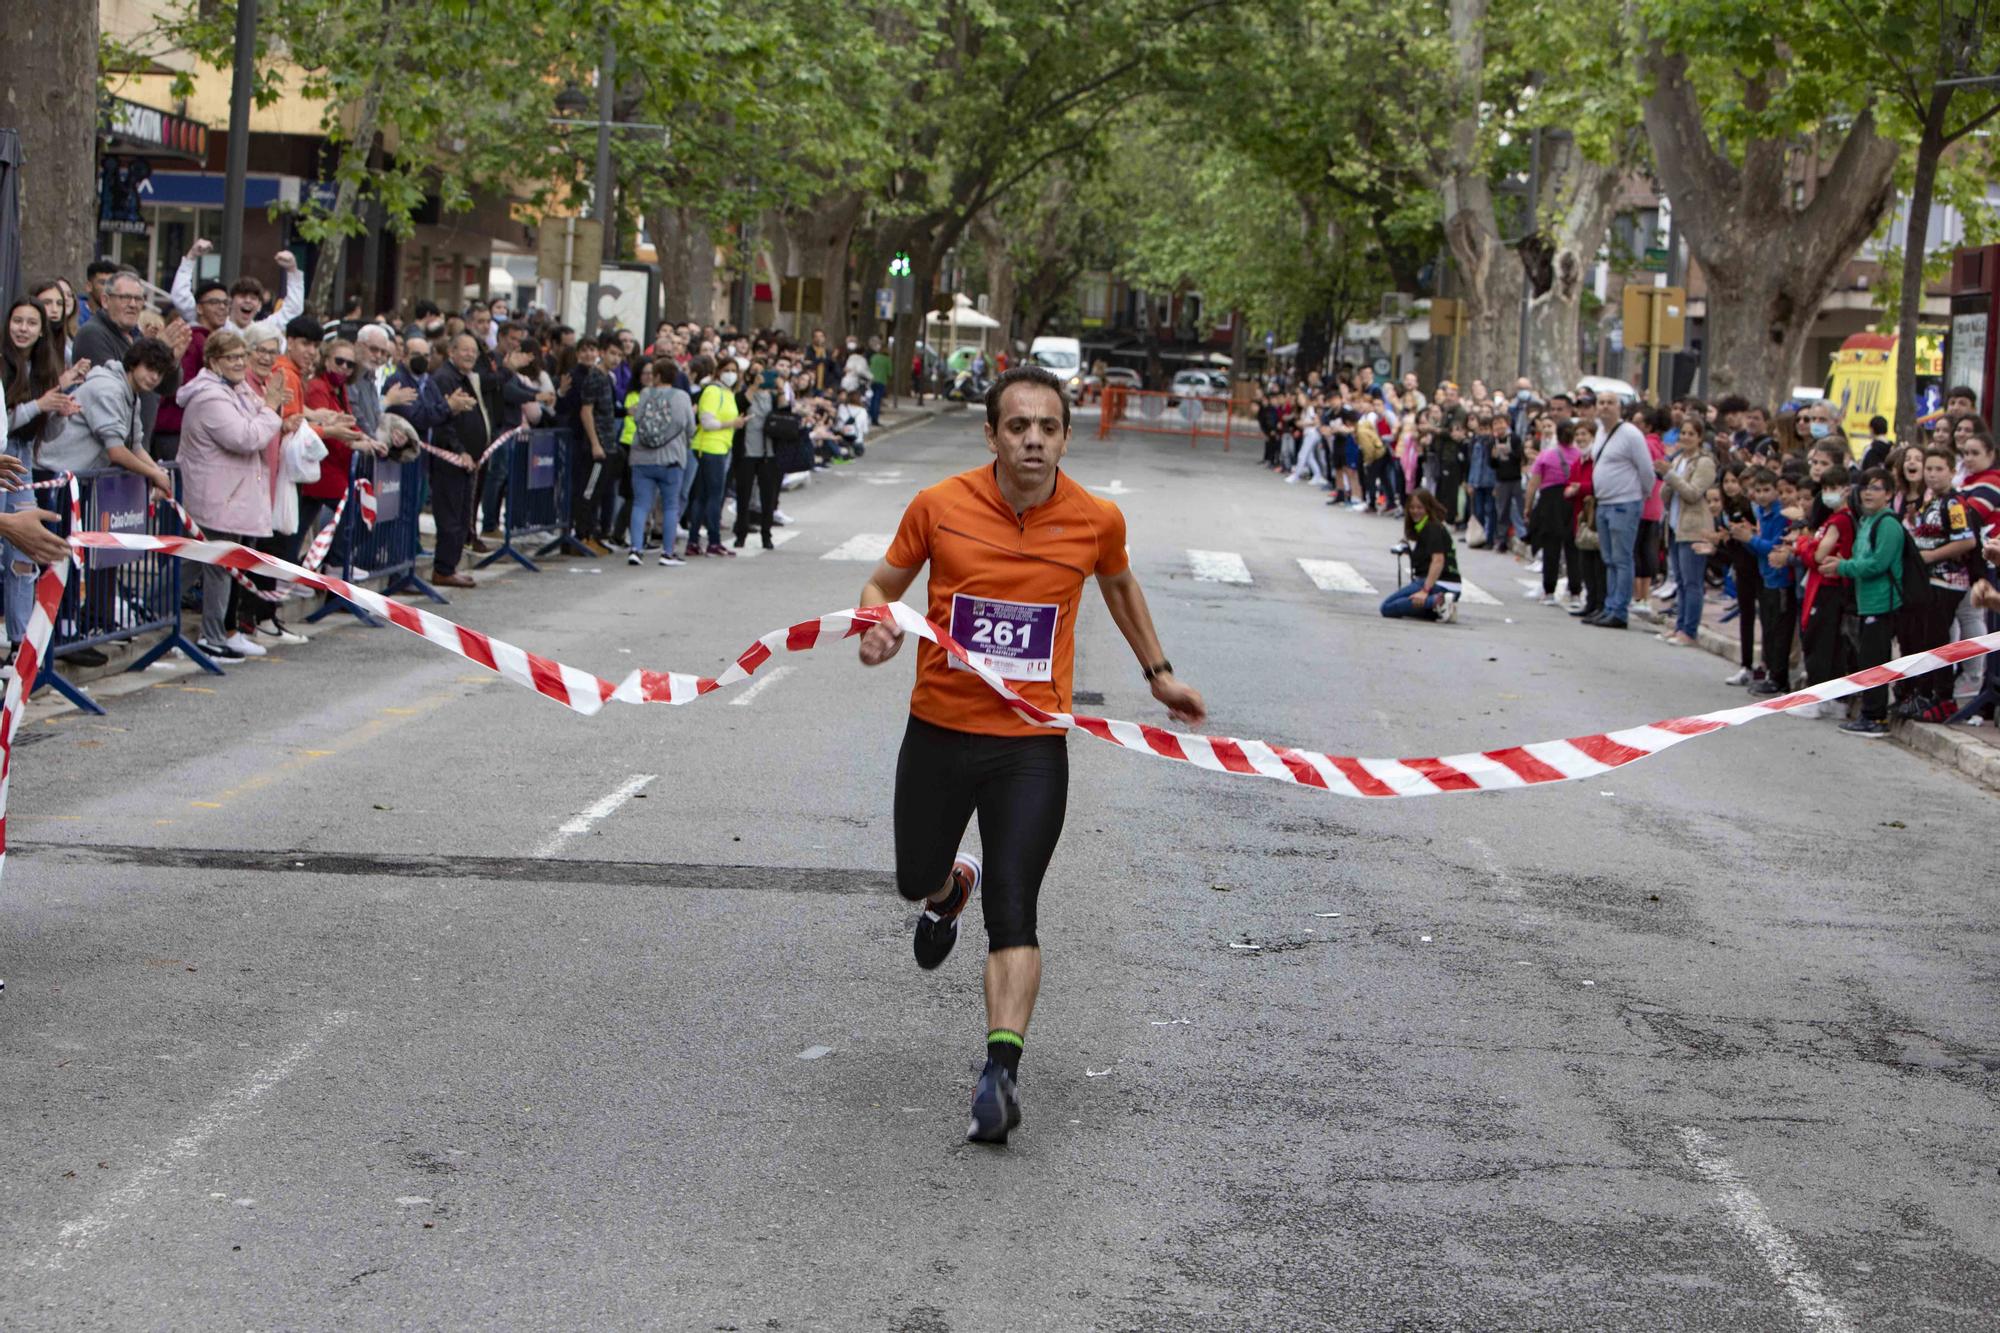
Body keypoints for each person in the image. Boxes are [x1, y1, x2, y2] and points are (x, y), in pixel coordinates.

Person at [853, 364, 1204, 1146]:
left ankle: (1000, 1072)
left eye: (1048, 427)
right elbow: (883, 582)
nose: (1034, 440)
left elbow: (1118, 586)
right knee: (915, 874)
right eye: (1018, 426)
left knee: (1017, 908)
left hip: (1032, 745)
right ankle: (948, 890)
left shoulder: (1094, 518)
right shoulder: (939, 506)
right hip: (940, 729)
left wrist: (1160, 674)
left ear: (1067, 437)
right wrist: (878, 626)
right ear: (992, 435)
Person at [175, 330, 289, 660]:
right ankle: (211, 637)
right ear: (213, 361)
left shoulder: (235, 390)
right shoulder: (211, 397)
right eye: (232, 358)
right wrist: (270, 409)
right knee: (216, 567)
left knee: (198, 564)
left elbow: (260, 420)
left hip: (230, 496)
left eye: (242, 356)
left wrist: (268, 409)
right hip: (216, 496)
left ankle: (154, 614)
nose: (240, 363)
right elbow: (246, 436)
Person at [1827, 469, 1906, 737]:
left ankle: (1876, 717)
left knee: (1876, 660)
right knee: (1867, 659)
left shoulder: (1888, 524)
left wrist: (1843, 567)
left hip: (1883, 603)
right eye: (1865, 488)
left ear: (1890, 494)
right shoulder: (1867, 521)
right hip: (1866, 602)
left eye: (1876, 488)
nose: (1868, 493)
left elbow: (1878, 563)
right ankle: (1869, 712)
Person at [427, 334, 492, 587]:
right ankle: (443, 569)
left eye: (473, 351)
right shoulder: (445, 379)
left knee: (463, 514)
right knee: (450, 516)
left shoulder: (466, 378)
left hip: (468, 461)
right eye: (464, 350)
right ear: (451, 351)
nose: (470, 355)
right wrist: (459, 450)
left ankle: (450, 566)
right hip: (451, 461)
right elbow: (444, 422)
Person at [1586, 393, 1651, 629]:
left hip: (1624, 503)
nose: (1605, 407)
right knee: (1609, 559)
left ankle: (1619, 610)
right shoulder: (1601, 433)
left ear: (1619, 408)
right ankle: (1609, 605)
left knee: (1622, 559)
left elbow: (1646, 470)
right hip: (1604, 503)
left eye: (1610, 403)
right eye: (1601, 403)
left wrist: (1639, 495)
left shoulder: (1631, 434)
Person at [1732, 468, 1798, 695]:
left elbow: (1775, 547)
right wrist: (1746, 538)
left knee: (1779, 631)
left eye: (1766, 490)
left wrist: (1751, 539)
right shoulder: (1762, 512)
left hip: (1780, 579)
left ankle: (1779, 677)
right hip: (1766, 577)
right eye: (1757, 490)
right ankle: (1771, 673)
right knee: (1769, 629)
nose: (1761, 495)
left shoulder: (1780, 515)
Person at [627, 356, 694, 566]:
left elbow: (637, 419)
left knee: (640, 504)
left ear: (656, 376)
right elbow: (690, 427)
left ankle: (636, 549)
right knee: (670, 507)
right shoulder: (682, 397)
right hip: (671, 459)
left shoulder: (646, 394)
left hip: (642, 458)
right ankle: (667, 552)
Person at [1656, 417, 1716, 647]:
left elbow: (1693, 493)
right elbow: (1666, 494)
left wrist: (1671, 475)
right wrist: (1667, 478)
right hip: (1674, 526)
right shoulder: (1679, 459)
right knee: (1679, 580)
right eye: (1683, 433)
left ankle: (1689, 630)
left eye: (1691, 434)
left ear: (1700, 438)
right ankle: (1680, 625)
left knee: (1692, 582)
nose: (1686, 438)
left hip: (1693, 528)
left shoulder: (1704, 463)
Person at [687, 355, 742, 557]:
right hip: (709, 447)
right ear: (718, 371)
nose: (731, 374)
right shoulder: (712, 391)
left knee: (702, 495)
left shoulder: (728, 393)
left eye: (734, 371)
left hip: (720, 447)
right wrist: (732, 424)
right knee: (713, 496)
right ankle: (713, 540)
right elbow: (707, 421)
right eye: (727, 370)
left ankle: (694, 541)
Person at [1380, 488, 1462, 622]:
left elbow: (1438, 560)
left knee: (1387, 607)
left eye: (1419, 507)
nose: (1415, 511)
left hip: (1440, 584)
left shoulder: (1432, 527)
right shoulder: (1423, 527)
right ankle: (1440, 609)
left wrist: (1425, 590)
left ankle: (1437, 601)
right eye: (1411, 507)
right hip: (1447, 585)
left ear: (1428, 508)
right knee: (1406, 605)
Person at [1524, 414, 1581, 607]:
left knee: (1551, 548)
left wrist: (1528, 507)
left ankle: (1549, 591)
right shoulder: (1580, 456)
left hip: (1550, 502)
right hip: (1573, 501)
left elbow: (1533, 484)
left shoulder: (1546, 455)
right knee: (1573, 548)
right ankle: (1575, 591)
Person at [733, 358, 782, 550]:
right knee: (743, 494)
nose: (760, 376)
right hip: (747, 451)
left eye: (763, 372)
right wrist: (754, 386)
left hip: (768, 453)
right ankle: (741, 532)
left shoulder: (771, 396)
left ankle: (766, 534)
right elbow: (740, 405)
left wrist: (779, 390)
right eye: (755, 372)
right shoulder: (745, 394)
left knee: (767, 496)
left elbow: (784, 411)